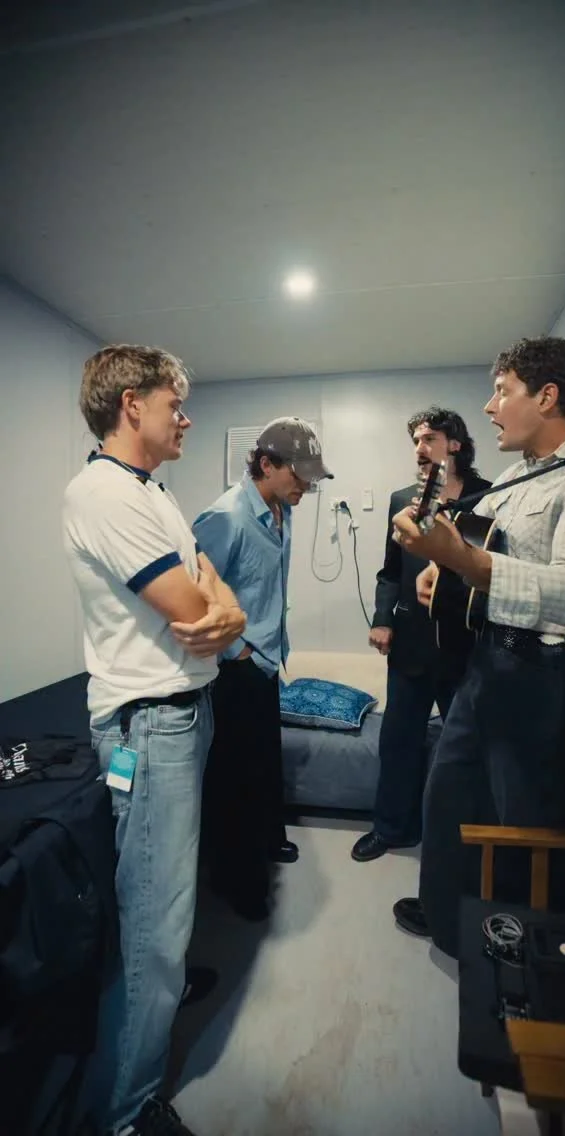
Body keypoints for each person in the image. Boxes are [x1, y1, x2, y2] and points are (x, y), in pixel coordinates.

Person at [389, 336, 565, 958]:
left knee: (527, 832)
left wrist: (463, 561)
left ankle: (527, 963)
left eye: (502, 391)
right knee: (452, 801)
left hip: (549, 675)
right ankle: (454, 924)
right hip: (489, 664)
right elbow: (479, 547)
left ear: (547, 396)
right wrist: (440, 571)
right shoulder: (514, 477)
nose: (490, 406)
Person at [63, 345, 246, 1136]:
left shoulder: (154, 491)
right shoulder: (104, 494)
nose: (186, 419)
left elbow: (215, 590)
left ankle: (154, 996)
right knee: (154, 922)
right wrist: (223, 614)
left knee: (160, 904)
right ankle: (124, 1114)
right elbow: (196, 610)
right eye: (176, 404)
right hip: (150, 724)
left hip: (181, 716)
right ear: (132, 404)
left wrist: (228, 612)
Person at [190, 417, 333, 921]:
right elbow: (195, 594)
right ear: (267, 464)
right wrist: (238, 653)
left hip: (269, 657)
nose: (306, 487)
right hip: (237, 667)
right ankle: (237, 882)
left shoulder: (282, 510)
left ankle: (269, 840)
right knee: (236, 780)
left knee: (265, 764)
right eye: (299, 475)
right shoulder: (225, 517)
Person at [352, 408, 490, 862]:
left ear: (455, 443)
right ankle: (391, 829)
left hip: (465, 647)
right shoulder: (402, 500)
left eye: (429, 438)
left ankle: (462, 843)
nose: (419, 447)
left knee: (466, 750)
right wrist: (382, 618)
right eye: (415, 440)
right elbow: (390, 571)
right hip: (410, 645)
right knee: (397, 742)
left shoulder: (488, 497)